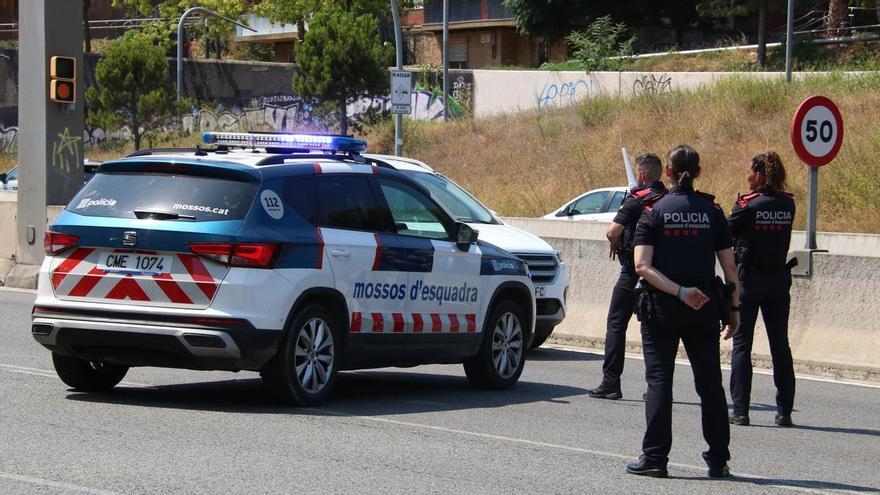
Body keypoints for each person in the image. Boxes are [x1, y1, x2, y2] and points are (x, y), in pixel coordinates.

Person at [626, 145, 740, 479]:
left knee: (660, 379)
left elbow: (641, 266)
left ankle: (655, 458)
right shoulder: (712, 211)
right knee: (710, 383)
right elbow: (730, 267)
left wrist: (678, 292)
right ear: (698, 172)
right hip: (705, 306)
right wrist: (734, 309)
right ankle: (718, 459)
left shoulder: (653, 211)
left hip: (663, 306)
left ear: (668, 174)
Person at [588, 153, 667, 400]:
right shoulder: (668, 198)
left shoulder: (637, 199)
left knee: (616, 323)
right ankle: (658, 386)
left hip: (633, 268)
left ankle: (611, 383)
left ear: (642, 175)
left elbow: (612, 232)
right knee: (659, 329)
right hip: (662, 269)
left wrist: (618, 241)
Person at [727, 151, 797, 427]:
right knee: (780, 345)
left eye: (749, 171)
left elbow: (725, 234)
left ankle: (741, 410)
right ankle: (784, 412)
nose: (746, 176)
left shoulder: (747, 204)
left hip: (750, 281)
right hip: (778, 280)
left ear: (758, 174)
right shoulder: (788, 204)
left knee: (742, 344)